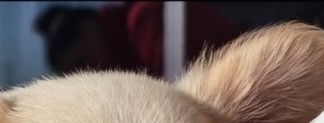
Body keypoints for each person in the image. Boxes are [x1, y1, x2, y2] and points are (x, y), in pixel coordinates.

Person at [34, 1, 241, 76]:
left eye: (84, 63)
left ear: (88, 29)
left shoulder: (143, 22)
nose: (91, 73)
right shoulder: (127, 54)